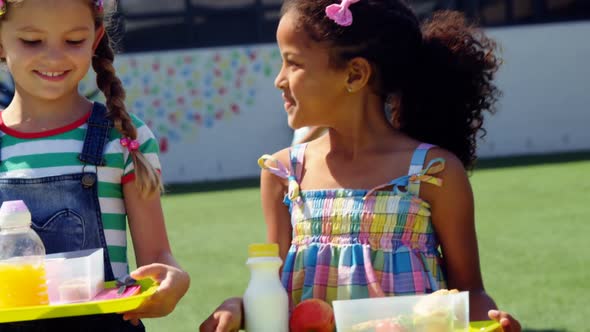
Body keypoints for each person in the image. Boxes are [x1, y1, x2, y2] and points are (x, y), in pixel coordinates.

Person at [200, 0, 521, 331]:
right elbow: (274, 292)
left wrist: (491, 322)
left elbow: (470, 292)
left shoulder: (434, 172)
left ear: (355, 74)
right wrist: (238, 306)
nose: (279, 80)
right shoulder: (283, 174)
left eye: (293, 64)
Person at [0, 0, 189, 330]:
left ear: (96, 38)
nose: (55, 57)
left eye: (73, 41)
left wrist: (174, 281)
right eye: (32, 41)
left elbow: (158, 257)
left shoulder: (124, 137)